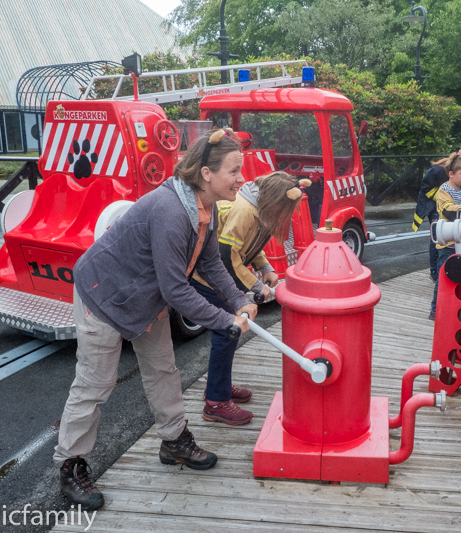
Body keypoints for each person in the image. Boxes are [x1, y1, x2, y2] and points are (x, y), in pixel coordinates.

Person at [53, 128, 258, 511]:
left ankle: (174, 441)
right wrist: (225, 320)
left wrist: (239, 300)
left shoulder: (206, 208)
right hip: (104, 293)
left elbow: (211, 261)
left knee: (163, 369)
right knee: (96, 383)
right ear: (207, 174)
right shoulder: (170, 211)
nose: (241, 178)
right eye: (234, 170)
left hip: (145, 297)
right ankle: (71, 463)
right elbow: (176, 289)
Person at [191, 171, 310, 426]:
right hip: (205, 276)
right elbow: (227, 254)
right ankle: (215, 401)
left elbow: (250, 245)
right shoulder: (243, 210)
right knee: (227, 330)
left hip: (216, 275)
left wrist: (266, 267)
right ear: (277, 201)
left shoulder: (258, 209)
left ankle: (218, 385)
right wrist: (256, 284)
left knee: (228, 332)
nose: (285, 215)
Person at [412, 145, 461, 282]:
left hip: (459, 210)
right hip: (437, 205)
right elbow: (426, 188)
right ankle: (435, 271)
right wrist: (443, 199)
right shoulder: (439, 171)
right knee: (438, 234)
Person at [429, 153, 461, 319]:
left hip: (460, 241)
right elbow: (447, 212)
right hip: (447, 243)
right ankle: (435, 310)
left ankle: (453, 308)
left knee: (460, 275)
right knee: (443, 277)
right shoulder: (444, 191)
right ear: (451, 174)